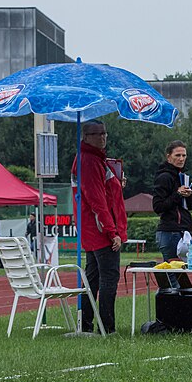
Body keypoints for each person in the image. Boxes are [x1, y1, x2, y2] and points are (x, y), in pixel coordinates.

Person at [71, 120, 127, 335]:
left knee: (92, 280)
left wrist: (116, 184)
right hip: (100, 232)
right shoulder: (90, 160)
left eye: (104, 133)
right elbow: (96, 200)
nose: (102, 137)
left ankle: (86, 324)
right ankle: (106, 327)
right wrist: (112, 231)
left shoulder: (89, 159)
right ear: (85, 137)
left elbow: (100, 194)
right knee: (108, 279)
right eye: (97, 134)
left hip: (91, 231)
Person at [152, 140, 192, 288]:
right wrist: (177, 194)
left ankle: (178, 308)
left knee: (181, 278)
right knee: (174, 280)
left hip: (182, 232)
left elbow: (189, 206)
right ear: (168, 157)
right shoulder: (164, 177)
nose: (181, 158)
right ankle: (171, 308)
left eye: (184, 155)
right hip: (169, 232)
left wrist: (190, 195)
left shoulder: (182, 176)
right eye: (178, 155)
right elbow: (158, 206)